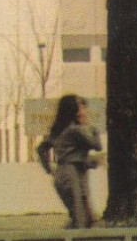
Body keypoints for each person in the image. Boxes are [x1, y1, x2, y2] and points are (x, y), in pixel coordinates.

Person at [38, 93, 102, 229]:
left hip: (70, 175)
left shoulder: (60, 130)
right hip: (70, 176)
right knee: (80, 220)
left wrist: (49, 168)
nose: (83, 108)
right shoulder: (75, 130)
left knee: (84, 219)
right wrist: (89, 126)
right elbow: (96, 145)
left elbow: (41, 149)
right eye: (80, 105)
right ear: (73, 109)